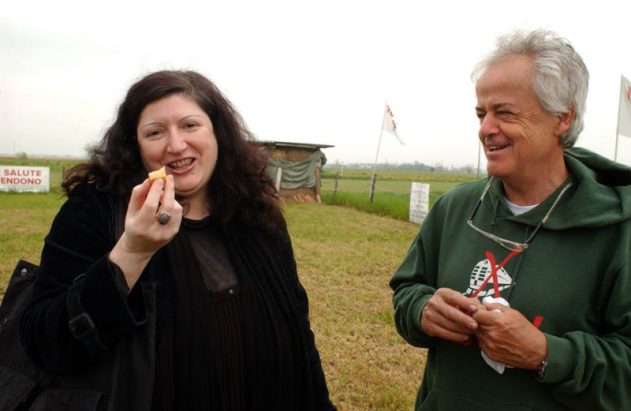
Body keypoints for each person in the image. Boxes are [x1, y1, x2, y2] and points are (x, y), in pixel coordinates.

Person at [20, 70, 336, 411]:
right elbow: (46, 343)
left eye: (190, 125)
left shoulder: (255, 212)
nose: (175, 144)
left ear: (217, 132)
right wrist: (132, 252)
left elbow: (298, 332)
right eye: (155, 132)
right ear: (135, 145)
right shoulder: (96, 210)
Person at [390, 29, 631, 411]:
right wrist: (422, 311)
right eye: (481, 113)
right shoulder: (454, 208)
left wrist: (546, 353)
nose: (485, 128)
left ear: (562, 118)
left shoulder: (619, 230)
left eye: (504, 112)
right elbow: (406, 294)